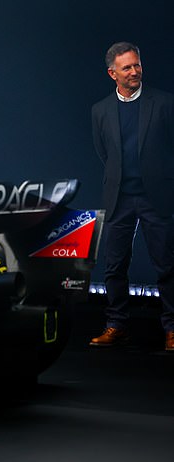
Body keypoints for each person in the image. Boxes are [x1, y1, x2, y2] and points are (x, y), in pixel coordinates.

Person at [90, 42, 174, 352]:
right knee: (114, 266)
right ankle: (117, 326)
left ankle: (172, 329)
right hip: (119, 196)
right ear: (113, 73)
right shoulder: (100, 110)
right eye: (127, 67)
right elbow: (105, 153)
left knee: (166, 265)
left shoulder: (164, 103)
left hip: (156, 196)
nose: (135, 71)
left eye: (137, 65)